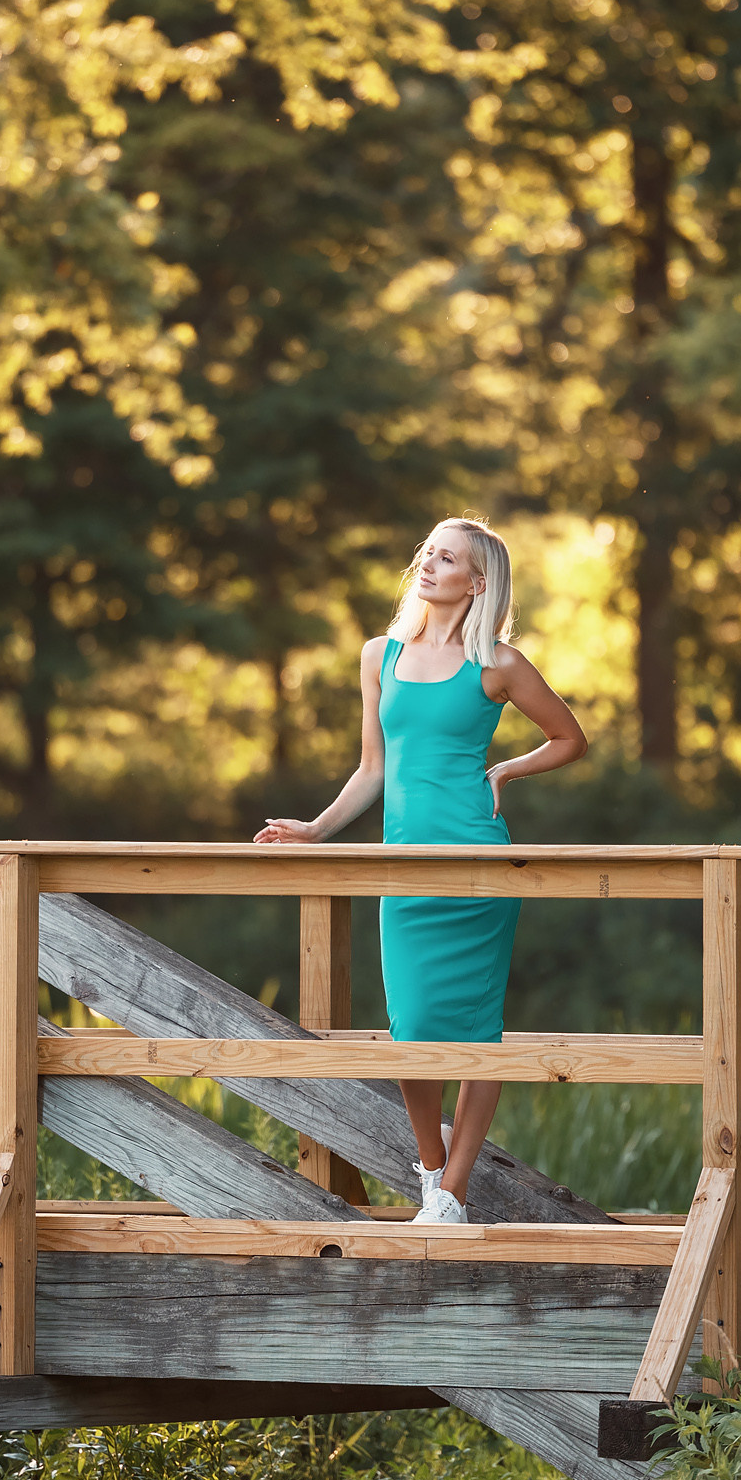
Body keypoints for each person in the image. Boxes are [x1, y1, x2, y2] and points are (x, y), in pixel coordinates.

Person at [254, 517, 589, 1223]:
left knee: (475, 1032)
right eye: (427, 552)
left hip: (478, 864)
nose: (429, 563)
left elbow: (569, 738)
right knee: (411, 1030)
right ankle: (431, 1167)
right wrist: (314, 828)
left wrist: (509, 766)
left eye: (448, 557)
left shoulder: (498, 663)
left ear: (478, 581)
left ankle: (453, 1194)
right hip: (403, 867)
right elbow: (373, 768)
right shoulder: (380, 654)